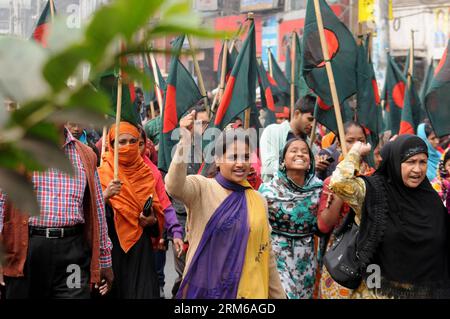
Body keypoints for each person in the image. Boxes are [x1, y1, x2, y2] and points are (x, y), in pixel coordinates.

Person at [165, 113, 285, 298]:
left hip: (248, 292)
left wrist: (279, 296)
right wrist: (184, 143)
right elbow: (173, 186)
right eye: (233, 156)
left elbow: (266, 254)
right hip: (206, 291)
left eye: (246, 157)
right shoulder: (202, 188)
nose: (240, 163)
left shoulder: (258, 200)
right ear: (218, 160)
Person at [329, 135, 450, 298]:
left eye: (422, 162)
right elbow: (338, 183)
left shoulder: (431, 200)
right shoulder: (373, 193)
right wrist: (355, 154)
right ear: (395, 162)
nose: (418, 169)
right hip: (378, 291)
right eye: (410, 162)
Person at [0, 127, 113, 299]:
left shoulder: (85, 154)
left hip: (72, 253)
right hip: (27, 251)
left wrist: (105, 259)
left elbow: (97, 209)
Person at [98, 122, 164, 299]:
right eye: (122, 142)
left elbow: (157, 212)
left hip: (140, 252)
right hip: (111, 252)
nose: (128, 146)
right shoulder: (101, 175)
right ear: (111, 145)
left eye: (132, 141)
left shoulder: (145, 174)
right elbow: (89, 214)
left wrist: (152, 220)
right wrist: (105, 196)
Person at [259, 137, 323, 299]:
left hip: (306, 257)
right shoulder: (267, 191)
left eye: (305, 151)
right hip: (276, 255)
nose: (300, 154)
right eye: (293, 151)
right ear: (283, 160)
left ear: (311, 160)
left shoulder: (319, 189)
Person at [317, 122, 375, 299]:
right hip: (340, 249)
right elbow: (324, 225)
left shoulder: (375, 179)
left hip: (370, 249)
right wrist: (344, 187)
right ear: (340, 144)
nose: (356, 146)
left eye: (361, 140)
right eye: (350, 141)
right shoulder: (332, 181)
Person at [169, 105, 210, 297]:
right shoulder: (178, 150)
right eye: (197, 124)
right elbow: (169, 189)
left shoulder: (218, 152)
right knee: (185, 275)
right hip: (182, 220)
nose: (202, 128)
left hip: (209, 221)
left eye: (206, 123)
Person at [138, 128, 184, 298]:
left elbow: (165, 204)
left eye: (139, 143)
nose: (133, 148)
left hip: (147, 240)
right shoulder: (107, 171)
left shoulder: (153, 172)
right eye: (125, 142)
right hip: (116, 244)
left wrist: (176, 232)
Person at [260, 95, 321, 182]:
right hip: (273, 193)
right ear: (297, 114)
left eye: (316, 122)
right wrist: (304, 164)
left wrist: (317, 166)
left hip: (302, 194)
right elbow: (268, 167)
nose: (312, 125)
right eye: (310, 119)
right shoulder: (272, 131)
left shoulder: (313, 147)